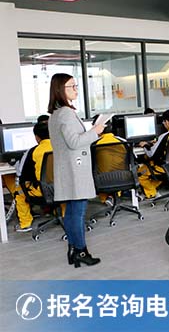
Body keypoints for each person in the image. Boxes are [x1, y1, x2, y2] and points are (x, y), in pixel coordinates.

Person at [47, 73, 104, 267]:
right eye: (72, 86)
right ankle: (80, 251)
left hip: (68, 169)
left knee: (72, 211)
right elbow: (74, 142)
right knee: (77, 212)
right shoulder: (66, 113)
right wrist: (95, 132)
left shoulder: (56, 114)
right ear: (60, 90)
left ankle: (74, 249)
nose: (76, 90)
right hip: (75, 169)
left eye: (75, 85)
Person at [138, 109, 169, 198]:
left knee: (140, 173)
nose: (163, 124)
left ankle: (152, 194)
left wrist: (145, 145)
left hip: (165, 168)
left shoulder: (165, 136)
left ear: (167, 122)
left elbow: (151, 154)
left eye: (164, 122)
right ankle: (155, 190)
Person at [13, 122, 54, 232]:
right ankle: (64, 215)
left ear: (37, 137)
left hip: (43, 191)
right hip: (64, 189)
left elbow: (21, 174)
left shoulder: (33, 151)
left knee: (19, 193)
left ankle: (25, 224)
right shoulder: (62, 147)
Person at [90, 116, 127, 205]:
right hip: (123, 178)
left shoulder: (94, 144)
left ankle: (106, 197)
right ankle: (114, 195)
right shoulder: (123, 141)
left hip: (103, 180)